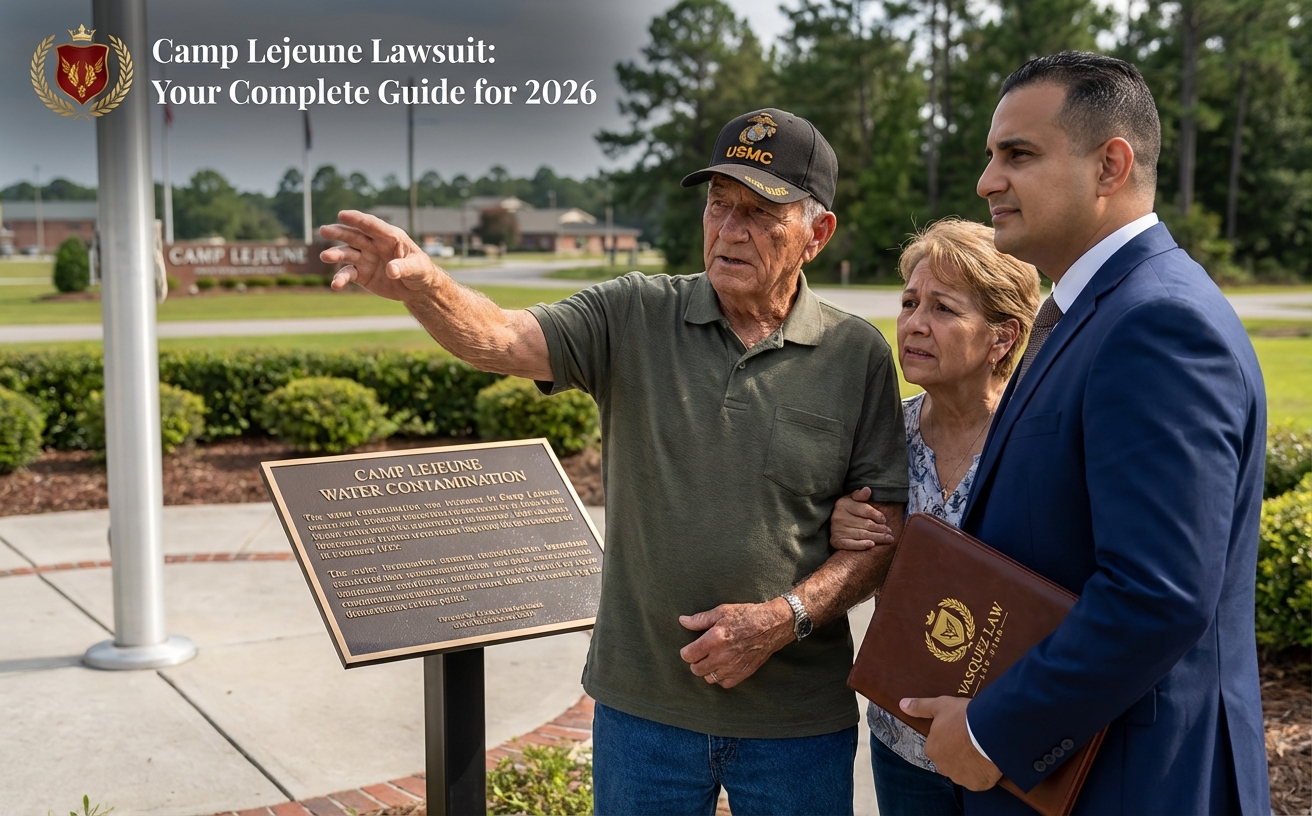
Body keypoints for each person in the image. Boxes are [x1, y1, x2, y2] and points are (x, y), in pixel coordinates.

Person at [317, 108, 910, 816]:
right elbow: (502, 339)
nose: (730, 229)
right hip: (643, 715)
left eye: (760, 212)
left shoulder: (857, 356)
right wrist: (427, 287)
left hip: (796, 724)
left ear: (818, 234)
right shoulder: (634, 314)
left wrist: (785, 618)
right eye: (719, 205)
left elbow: (882, 536)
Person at [888, 52, 1271, 815]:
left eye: (1018, 155)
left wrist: (995, 731)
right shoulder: (1089, 311)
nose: (986, 180)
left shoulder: (1158, 324)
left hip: (1134, 781)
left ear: (1110, 165)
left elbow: (1157, 596)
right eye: (991, 155)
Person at [829, 218, 1040, 816]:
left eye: (944, 309)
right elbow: (854, 559)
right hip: (903, 741)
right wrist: (843, 529)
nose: (914, 324)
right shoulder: (881, 436)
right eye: (909, 302)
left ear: (1003, 337)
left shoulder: (1037, 444)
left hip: (1003, 745)